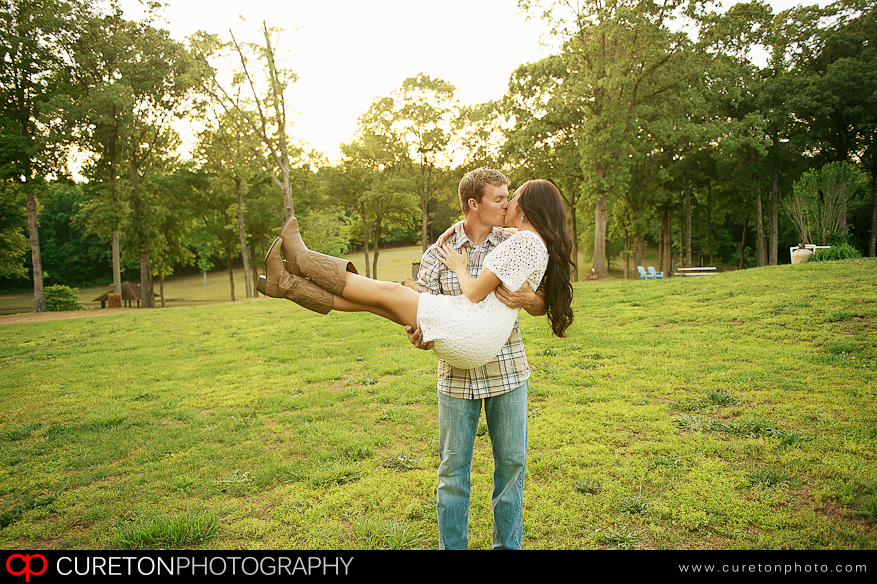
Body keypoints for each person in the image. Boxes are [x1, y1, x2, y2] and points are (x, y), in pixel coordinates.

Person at [257, 168, 575, 548]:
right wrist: (417, 333)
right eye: (499, 197)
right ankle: (288, 282)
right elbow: (418, 309)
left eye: (511, 196)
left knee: (511, 469)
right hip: (456, 370)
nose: (507, 202)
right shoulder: (438, 251)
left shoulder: (516, 238)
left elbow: (546, 296)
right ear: (474, 205)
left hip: (505, 369)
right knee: (452, 473)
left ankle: (298, 263)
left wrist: (530, 300)